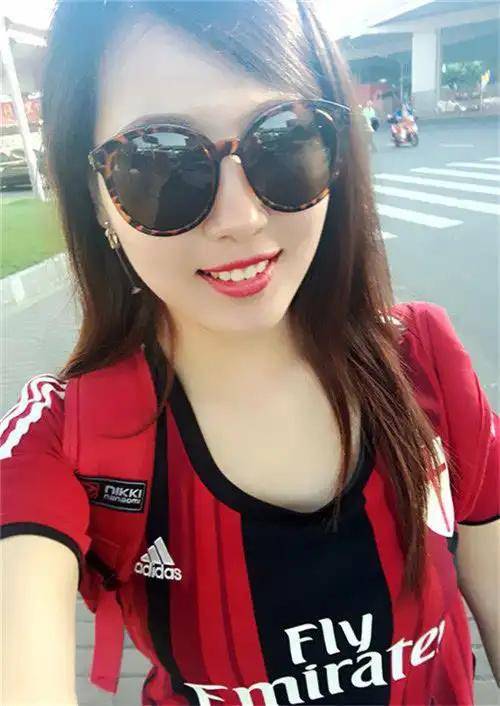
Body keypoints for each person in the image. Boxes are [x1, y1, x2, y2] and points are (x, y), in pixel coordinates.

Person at [1, 2, 498, 705]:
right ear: (97, 196)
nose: (241, 218)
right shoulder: (62, 440)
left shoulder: (425, 364)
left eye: (283, 142)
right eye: (162, 164)